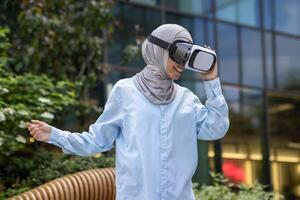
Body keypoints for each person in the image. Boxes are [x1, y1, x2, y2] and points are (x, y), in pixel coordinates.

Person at [26, 24, 229, 200]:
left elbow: (217, 128)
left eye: (188, 55)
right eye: (180, 53)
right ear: (159, 51)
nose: (183, 63)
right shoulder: (125, 91)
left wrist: (212, 80)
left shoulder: (187, 99)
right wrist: (55, 135)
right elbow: (97, 141)